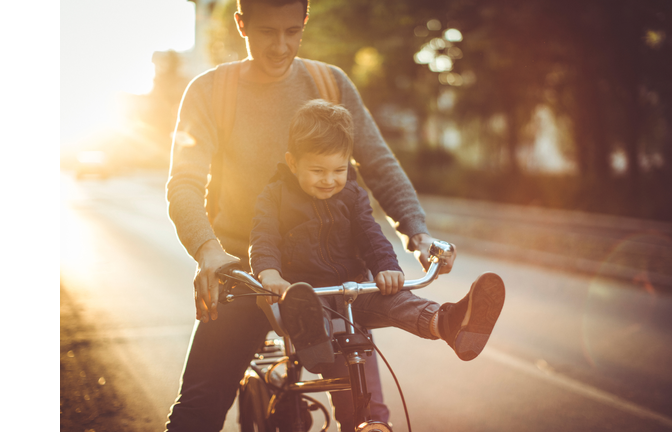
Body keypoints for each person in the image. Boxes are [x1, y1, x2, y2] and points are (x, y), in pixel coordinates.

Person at [164, 0, 457, 430]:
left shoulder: (329, 82)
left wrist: (420, 236)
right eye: (267, 32)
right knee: (197, 412)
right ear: (241, 24)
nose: (281, 45)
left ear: (304, 22)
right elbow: (183, 182)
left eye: (291, 31)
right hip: (243, 273)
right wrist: (208, 250)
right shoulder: (211, 91)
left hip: (329, 278)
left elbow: (378, 164)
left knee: (368, 416)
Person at [250, 99, 506, 374]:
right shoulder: (274, 196)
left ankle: (448, 322)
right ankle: (314, 339)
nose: (329, 180)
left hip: (353, 289)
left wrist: (387, 268)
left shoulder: (352, 194)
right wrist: (269, 274)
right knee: (308, 310)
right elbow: (263, 237)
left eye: (339, 170)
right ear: (292, 163)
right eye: (317, 171)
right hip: (307, 293)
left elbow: (371, 235)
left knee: (398, 300)